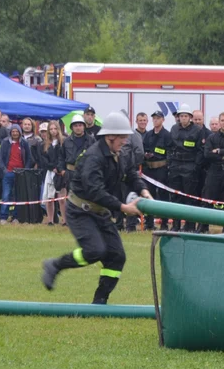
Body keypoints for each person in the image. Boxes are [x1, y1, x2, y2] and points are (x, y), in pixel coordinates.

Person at [41, 113, 152, 304]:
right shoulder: (93, 157)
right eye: (122, 137)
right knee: (94, 250)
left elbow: (131, 173)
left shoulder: (121, 153)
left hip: (101, 212)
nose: (126, 141)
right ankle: (55, 265)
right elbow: (95, 191)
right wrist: (124, 207)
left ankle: (100, 301)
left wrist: (143, 190)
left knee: (117, 257)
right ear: (110, 137)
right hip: (80, 211)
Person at [167, 104, 201, 231]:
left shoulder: (197, 130)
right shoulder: (174, 129)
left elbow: (200, 150)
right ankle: (175, 225)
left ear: (190, 117)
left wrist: (195, 166)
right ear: (178, 117)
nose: (183, 118)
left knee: (189, 198)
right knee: (175, 197)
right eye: (181, 116)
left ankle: (189, 226)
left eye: (186, 116)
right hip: (176, 166)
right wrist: (170, 163)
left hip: (190, 166)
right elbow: (170, 147)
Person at [141, 110, 173, 230]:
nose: (156, 120)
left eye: (158, 118)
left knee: (163, 197)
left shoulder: (167, 135)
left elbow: (169, 151)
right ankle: (149, 223)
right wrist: (146, 155)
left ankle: (164, 223)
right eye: (154, 118)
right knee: (149, 196)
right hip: (149, 170)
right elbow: (143, 149)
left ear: (163, 120)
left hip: (161, 169)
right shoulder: (148, 135)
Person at [0, 123, 31, 223]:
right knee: (6, 195)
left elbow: (29, 158)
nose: (15, 133)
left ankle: (16, 217)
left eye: (17, 131)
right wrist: (4, 170)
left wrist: (25, 170)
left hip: (20, 174)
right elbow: (0, 159)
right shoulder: (5, 142)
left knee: (18, 196)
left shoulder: (24, 143)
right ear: (10, 133)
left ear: (20, 132)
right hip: (8, 173)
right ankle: (3, 217)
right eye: (13, 132)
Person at [121, 112, 147, 230]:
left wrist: (131, 166)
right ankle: (118, 224)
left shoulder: (134, 135)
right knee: (119, 197)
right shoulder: (115, 136)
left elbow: (139, 153)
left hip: (130, 172)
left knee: (130, 197)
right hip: (117, 172)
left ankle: (131, 226)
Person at [39, 121, 65, 225]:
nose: (53, 131)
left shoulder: (63, 143)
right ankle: (50, 220)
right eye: (51, 129)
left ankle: (65, 220)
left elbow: (63, 157)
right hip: (50, 173)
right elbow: (44, 160)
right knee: (50, 198)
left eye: (55, 129)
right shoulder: (45, 144)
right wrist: (52, 167)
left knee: (62, 198)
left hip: (60, 173)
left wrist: (59, 168)